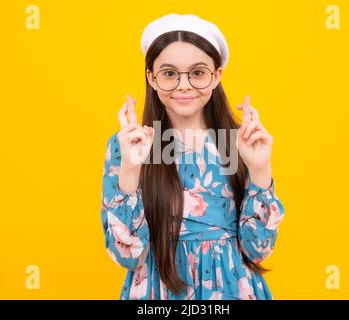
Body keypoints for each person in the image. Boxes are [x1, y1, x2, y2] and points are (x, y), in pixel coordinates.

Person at [100, 13, 285, 300]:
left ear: (217, 76)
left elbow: (257, 250)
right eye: (170, 73)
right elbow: (128, 255)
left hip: (231, 292)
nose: (184, 85)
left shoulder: (240, 142)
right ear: (151, 77)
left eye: (197, 73)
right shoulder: (129, 145)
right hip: (156, 293)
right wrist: (129, 170)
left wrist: (260, 171)